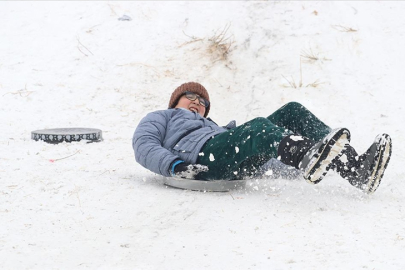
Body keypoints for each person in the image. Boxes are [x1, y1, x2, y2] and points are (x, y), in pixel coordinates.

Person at [132, 82, 392, 194]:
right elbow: (144, 145)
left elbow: (262, 154)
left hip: (223, 156)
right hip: (201, 160)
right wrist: (176, 166)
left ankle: (354, 167)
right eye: (191, 96)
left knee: (292, 110)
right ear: (175, 100)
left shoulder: (214, 128)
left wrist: (292, 170)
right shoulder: (162, 117)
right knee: (257, 128)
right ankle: (306, 155)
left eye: (203, 102)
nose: (197, 102)